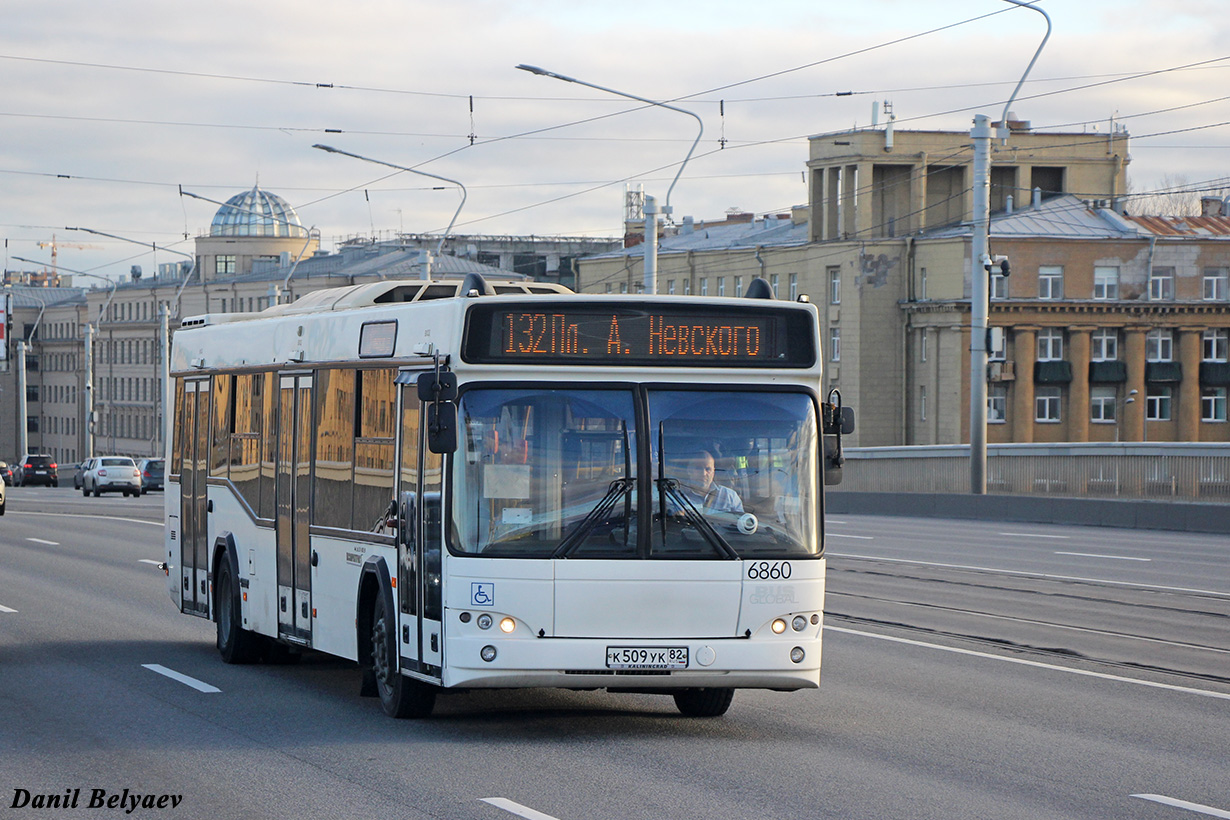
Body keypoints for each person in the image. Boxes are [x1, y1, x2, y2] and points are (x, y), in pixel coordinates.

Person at [677, 448, 743, 514]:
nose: (703, 474)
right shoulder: (677, 497)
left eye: (708, 469)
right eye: (698, 468)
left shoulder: (730, 497)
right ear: (689, 470)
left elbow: (742, 522)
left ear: (713, 471)